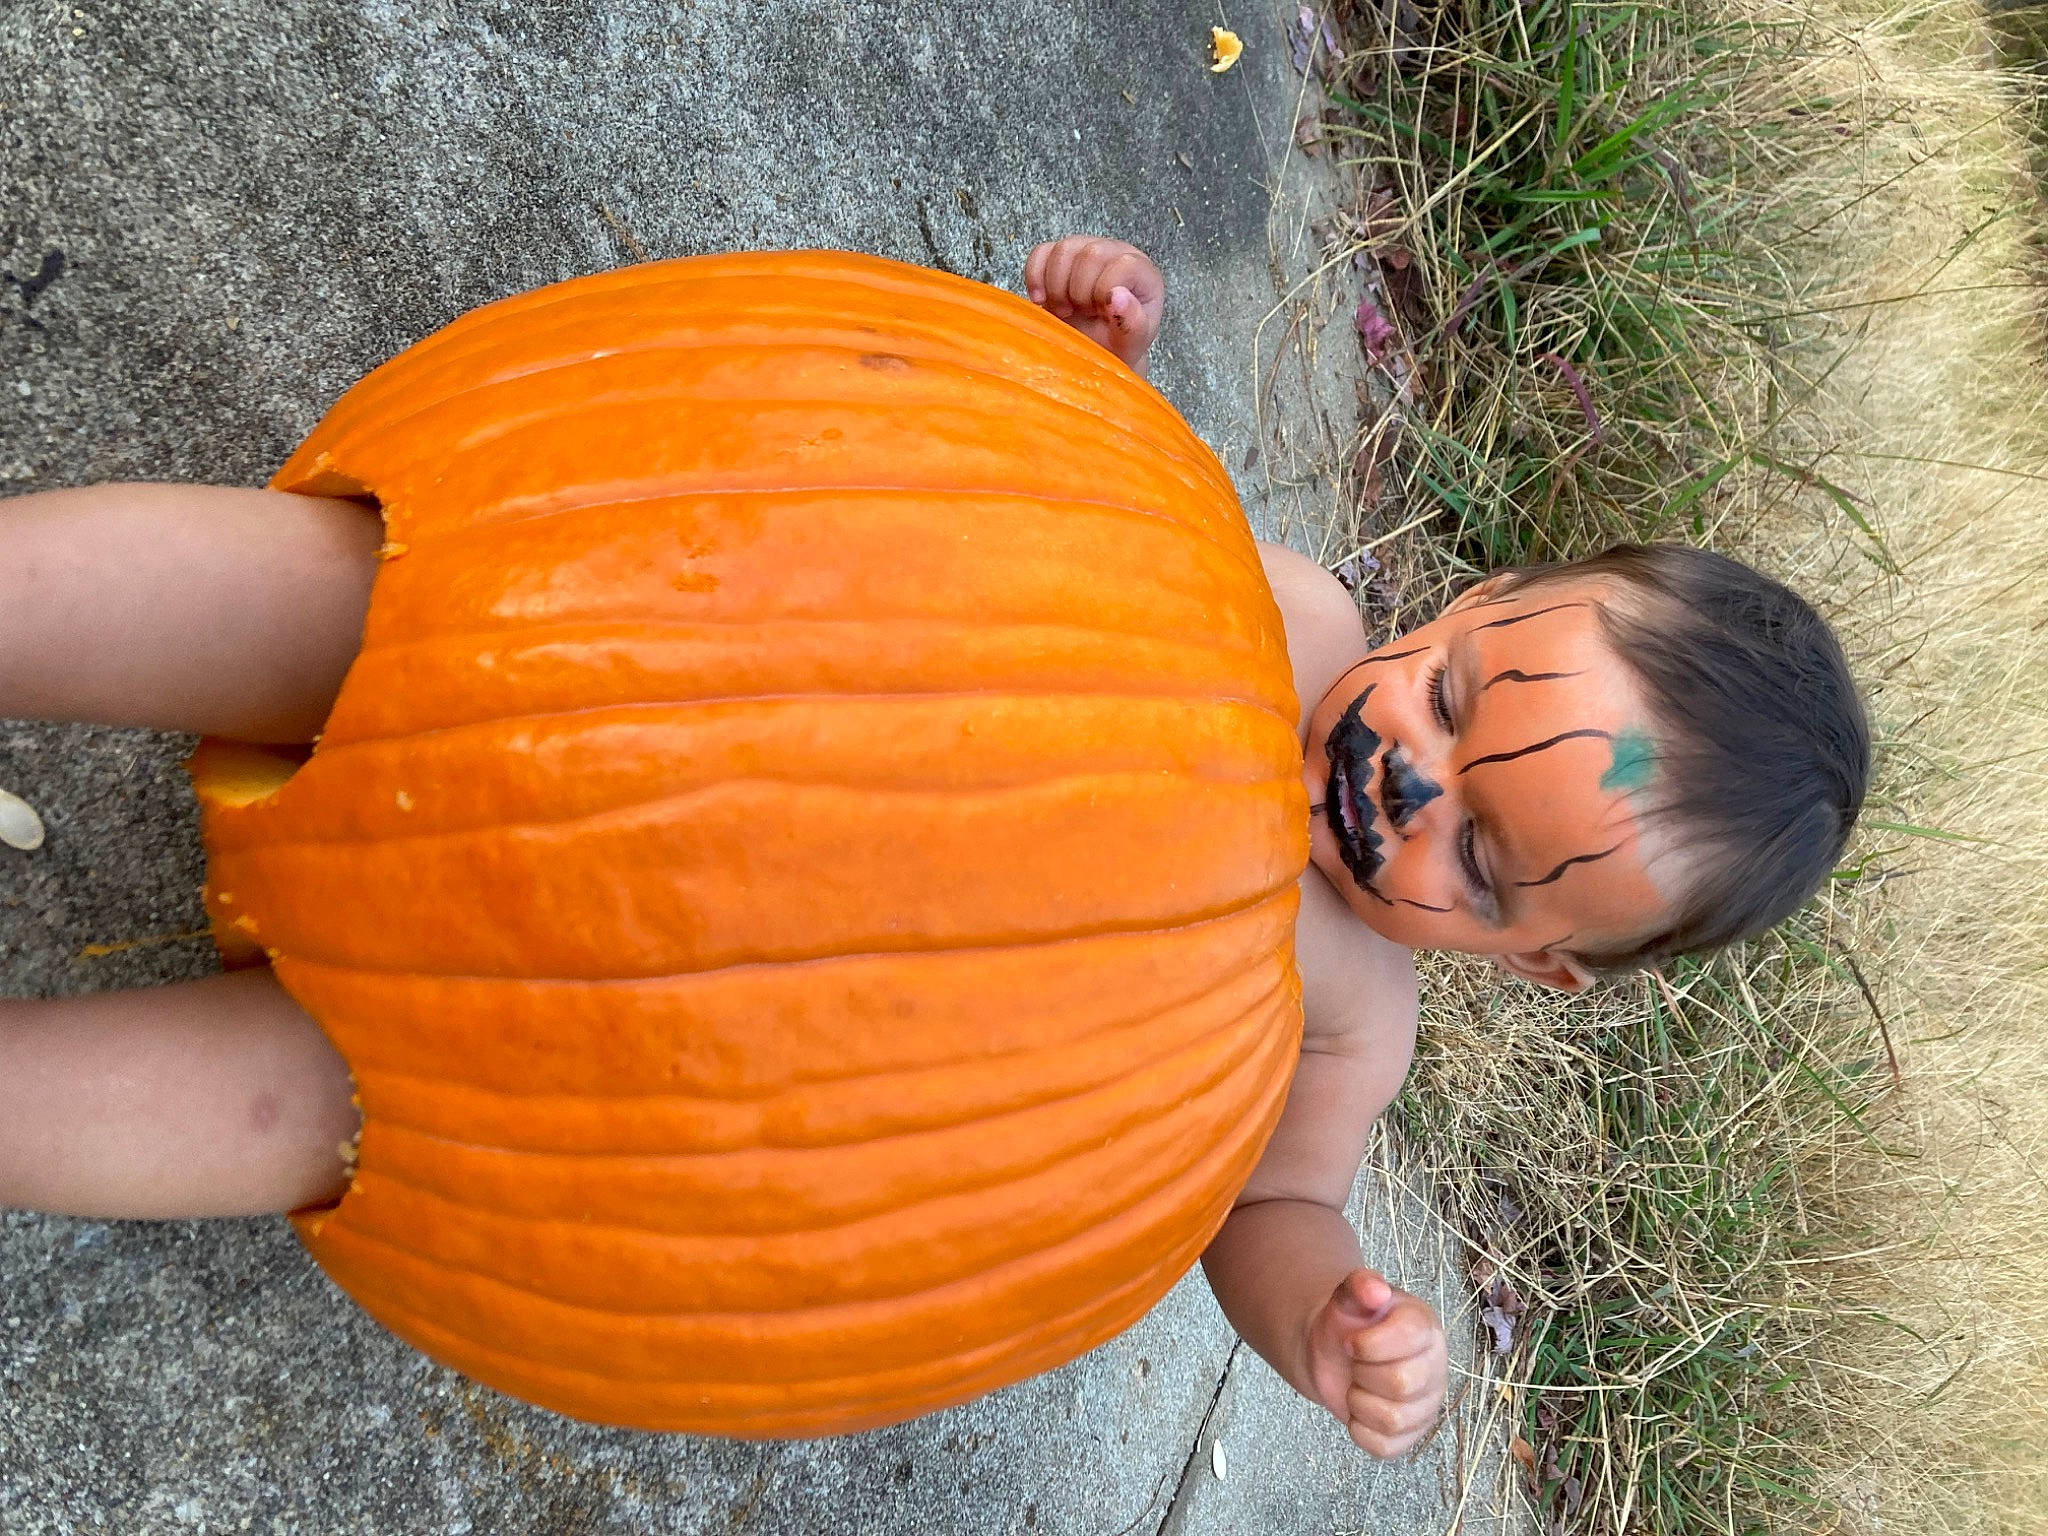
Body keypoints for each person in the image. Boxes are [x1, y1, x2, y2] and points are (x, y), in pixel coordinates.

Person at [0, 235, 1869, 1462]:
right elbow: (1007, 507)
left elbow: (1265, 1216)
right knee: (345, 598)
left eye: (1485, 853)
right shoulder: (1272, 600)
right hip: (612, 641)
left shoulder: (1338, 1021)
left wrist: (1324, 1317)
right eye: (1460, 700)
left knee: (321, 1119)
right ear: (1477, 596)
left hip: (598, 1057)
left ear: (1537, 963)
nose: (1402, 780)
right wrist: (1063, 354)